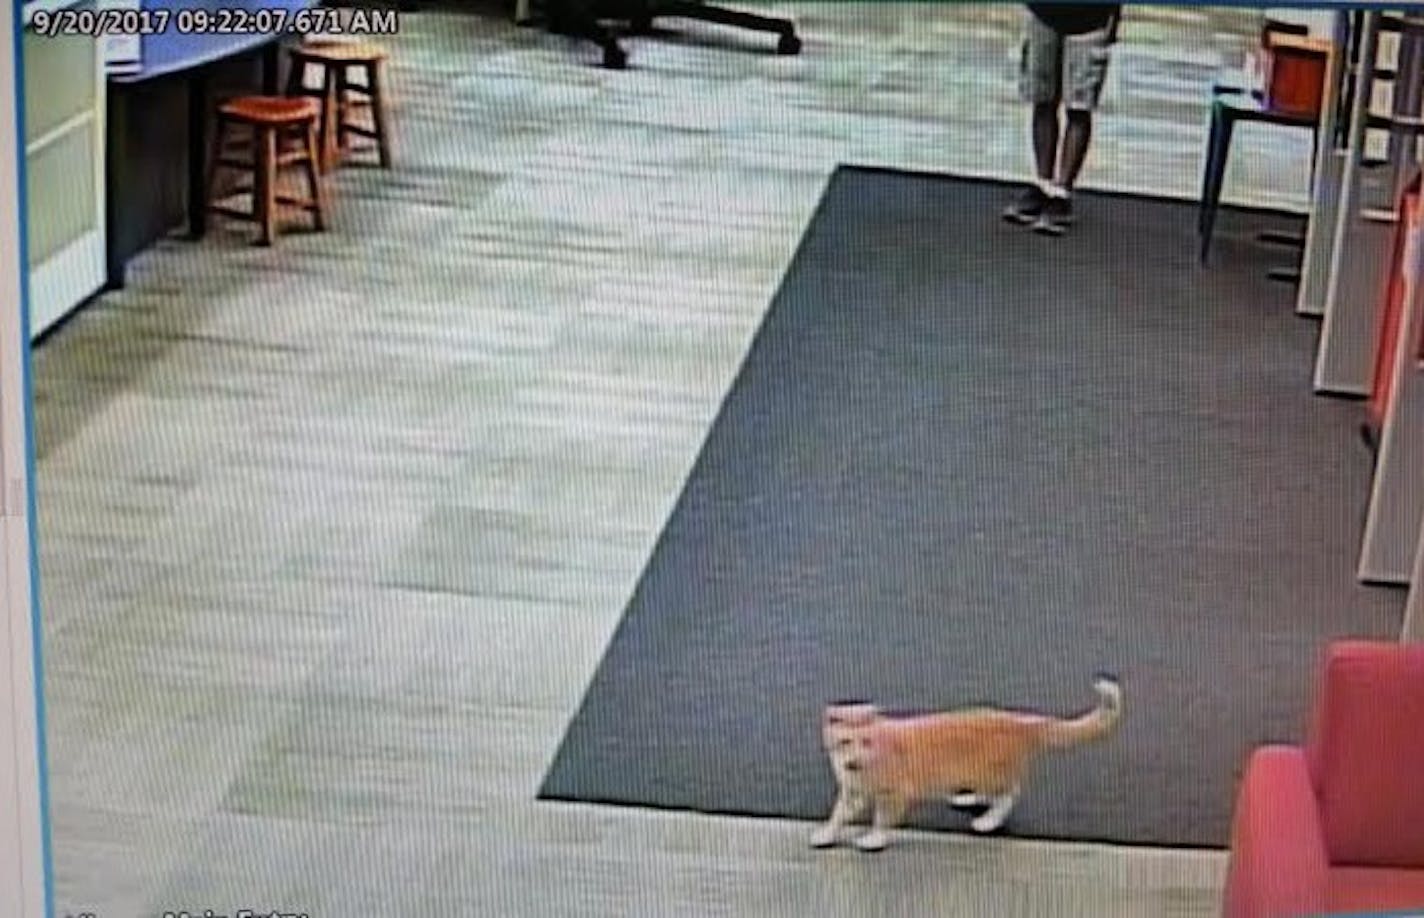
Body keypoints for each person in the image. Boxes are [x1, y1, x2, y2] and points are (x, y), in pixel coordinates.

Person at [1002, 3, 1122, 236]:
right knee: (1042, 100)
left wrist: (1113, 18)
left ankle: (1062, 192)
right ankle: (1043, 183)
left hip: (1091, 20)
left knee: (1079, 106)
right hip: (1043, 13)